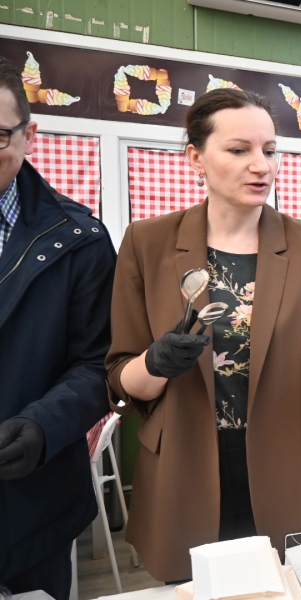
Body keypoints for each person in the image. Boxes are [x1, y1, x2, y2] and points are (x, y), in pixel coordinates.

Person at [105, 88, 301, 582]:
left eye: (270, 150)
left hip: (284, 461)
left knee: (286, 583)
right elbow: (120, 374)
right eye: (239, 150)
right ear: (195, 158)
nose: (261, 165)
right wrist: (155, 363)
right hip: (182, 463)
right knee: (193, 587)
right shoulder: (147, 242)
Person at [0, 56, 116, 597]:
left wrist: (43, 427)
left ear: (30, 135)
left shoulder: (79, 240)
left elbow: (97, 363)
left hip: (30, 507)